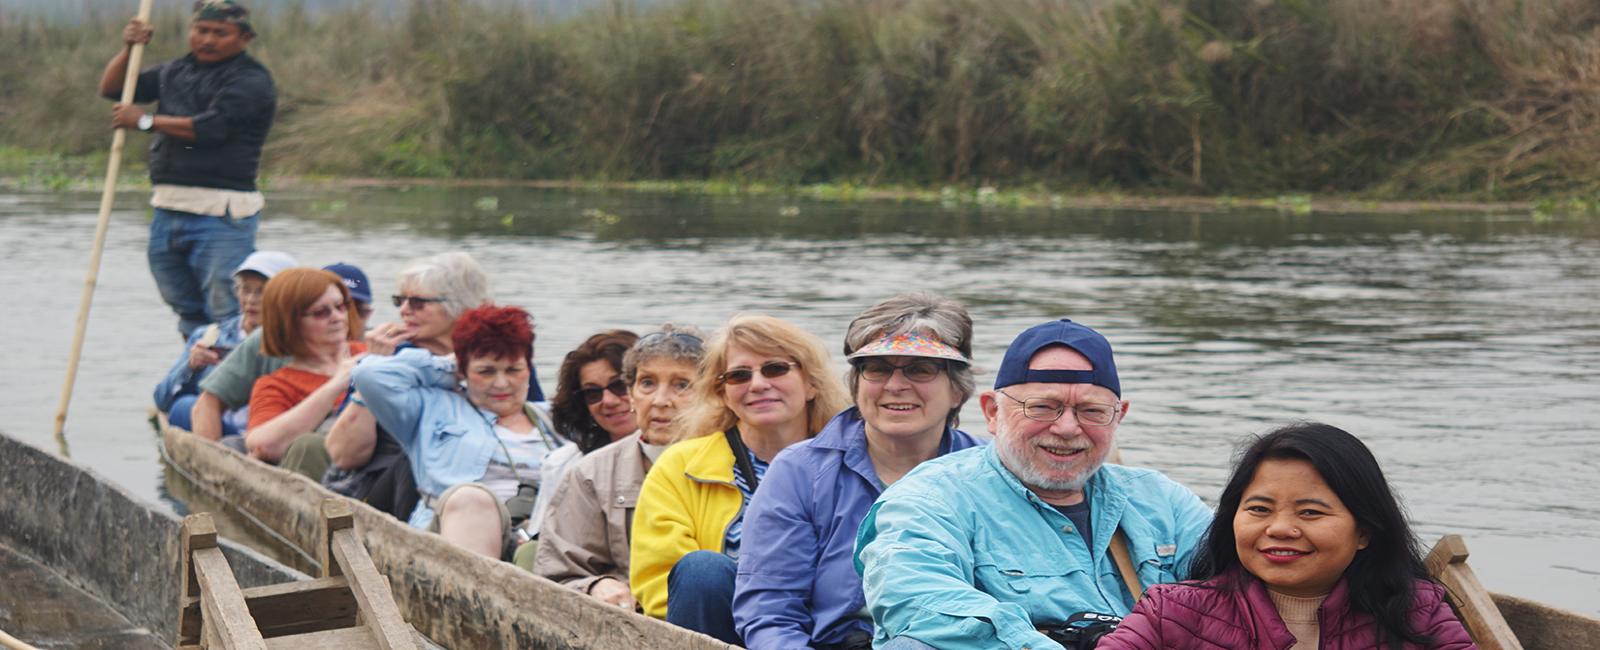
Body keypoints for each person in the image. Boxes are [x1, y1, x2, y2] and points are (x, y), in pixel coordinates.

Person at [854, 319, 1212, 650]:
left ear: (1119, 417)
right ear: (992, 413)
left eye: (1092, 411)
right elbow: (916, 602)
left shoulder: (1163, 500)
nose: (1068, 428)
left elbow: (1241, 588)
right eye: (1043, 407)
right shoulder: (929, 499)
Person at [734, 294, 988, 649]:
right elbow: (771, 612)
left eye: (920, 369)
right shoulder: (799, 471)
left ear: (958, 391)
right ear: (856, 383)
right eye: (878, 368)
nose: (896, 385)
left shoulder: (989, 473)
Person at [1096, 423, 1477, 650]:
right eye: (1259, 509)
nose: (1279, 529)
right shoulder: (1170, 613)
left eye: (1310, 512)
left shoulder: (1417, 611)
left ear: (1363, 531)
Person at [630, 314, 851, 644]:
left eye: (775, 369)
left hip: (826, 631)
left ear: (811, 383)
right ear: (722, 393)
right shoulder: (681, 465)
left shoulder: (851, 462)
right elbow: (660, 583)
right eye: (739, 376)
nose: (758, 384)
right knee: (701, 570)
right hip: (721, 631)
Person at [99, 0, 276, 338]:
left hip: (221, 213)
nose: (207, 40)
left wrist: (146, 121)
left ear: (244, 38)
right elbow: (112, 89)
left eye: (220, 33)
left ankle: (237, 381)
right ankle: (197, 374)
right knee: (185, 307)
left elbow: (210, 128)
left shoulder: (252, 80)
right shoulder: (176, 70)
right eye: (201, 30)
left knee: (229, 307)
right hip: (168, 209)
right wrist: (130, 48)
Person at [352, 305, 567, 559]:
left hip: (541, 535)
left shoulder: (554, 418)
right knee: (471, 499)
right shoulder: (432, 408)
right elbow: (367, 374)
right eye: (485, 371)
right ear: (462, 371)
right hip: (460, 534)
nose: (501, 383)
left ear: (528, 369)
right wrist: (449, 364)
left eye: (513, 370)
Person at [535, 326, 705, 609]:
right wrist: (596, 585)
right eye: (647, 383)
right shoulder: (589, 474)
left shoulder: (740, 464)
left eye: (682, 385)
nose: (660, 400)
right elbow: (555, 577)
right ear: (632, 393)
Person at [323, 252, 497, 513]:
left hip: (478, 476)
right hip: (394, 489)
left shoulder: (499, 357)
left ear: (462, 306)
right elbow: (344, 455)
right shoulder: (393, 359)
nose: (403, 311)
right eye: (400, 300)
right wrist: (374, 366)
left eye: (417, 303)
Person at [155, 250, 293, 437]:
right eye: (245, 289)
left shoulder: (298, 342)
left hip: (272, 429)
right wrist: (191, 366)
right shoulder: (210, 336)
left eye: (262, 291)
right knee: (183, 407)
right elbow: (161, 400)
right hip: (222, 429)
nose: (251, 300)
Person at [241, 268, 366, 473]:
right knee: (309, 446)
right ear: (291, 323)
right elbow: (261, 444)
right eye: (321, 312)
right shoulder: (276, 385)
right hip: (330, 482)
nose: (336, 317)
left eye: (340, 307)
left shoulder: (372, 353)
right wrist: (337, 383)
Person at [526, 329, 642, 540]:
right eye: (593, 392)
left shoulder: (686, 455)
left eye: (619, 386)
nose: (608, 400)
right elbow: (542, 543)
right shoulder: (562, 464)